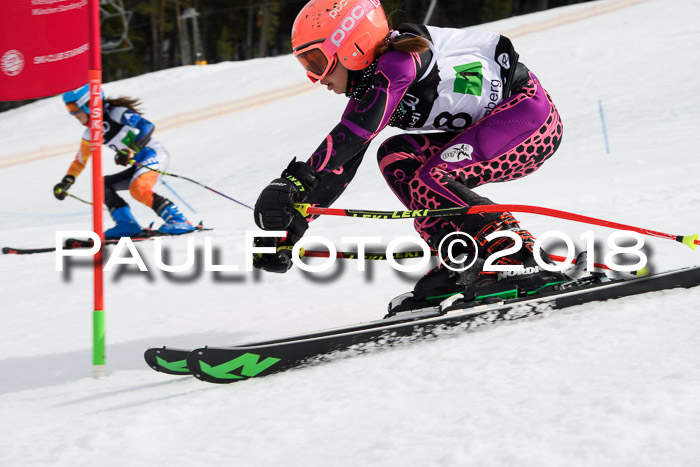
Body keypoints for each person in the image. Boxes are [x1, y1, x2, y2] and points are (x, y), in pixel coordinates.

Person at [253, 0, 566, 308]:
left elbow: (357, 130)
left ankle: (517, 252)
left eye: (317, 63)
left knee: (432, 178)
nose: (317, 79)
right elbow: (344, 159)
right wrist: (294, 227)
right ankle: (462, 256)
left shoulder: (400, 62)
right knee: (395, 156)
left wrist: (295, 179)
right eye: (307, 67)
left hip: (530, 120)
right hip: (497, 126)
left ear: (353, 46)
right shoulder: (377, 81)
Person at [54, 84, 194, 238]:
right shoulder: (90, 133)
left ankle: (178, 220)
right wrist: (67, 181)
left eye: (73, 108)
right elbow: (80, 161)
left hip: (153, 154)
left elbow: (146, 126)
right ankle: (127, 225)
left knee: (138, 188)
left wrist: (132, 149)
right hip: (138, 163)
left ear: (88, 104)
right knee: (101, 185)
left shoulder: (115, 113)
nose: (73, 114)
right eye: (69, 109)